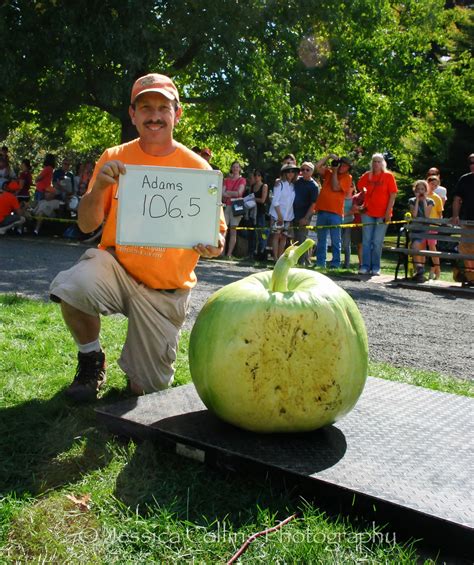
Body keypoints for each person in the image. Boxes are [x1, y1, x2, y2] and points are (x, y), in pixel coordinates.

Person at [49, 72, 226, 402]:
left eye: (163, 106)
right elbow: (87, 226)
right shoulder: (114, 156)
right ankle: (91, 359)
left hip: (165, 292)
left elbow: (217, 238)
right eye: (145, 107)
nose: (155, 115)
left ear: (177, 112)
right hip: (117, 269)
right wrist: (100, 186)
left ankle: (143, 367)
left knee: (146, 393)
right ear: (133, 114)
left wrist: (214, 246)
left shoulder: (199, 169)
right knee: (72, 286)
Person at [357, 153, 398, 276]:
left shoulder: (388, 176)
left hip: (382, 213)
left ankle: (376, 267)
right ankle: (365, 266)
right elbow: (359, 188)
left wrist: (388, 212)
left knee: (377, 241)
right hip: (368, 212)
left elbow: (393, 195)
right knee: (366, 240)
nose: (376, 164)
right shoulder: (367, 176)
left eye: (379, 161)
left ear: (383, 163)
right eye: (374, 161)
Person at [314, 154, 353, 269]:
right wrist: (329, 157)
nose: (342, 167)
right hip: (322, 210)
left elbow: (335, 187)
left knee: (336, 240)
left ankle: (335, 264)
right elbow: (316, 167)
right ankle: (321, 263)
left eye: (345, 166)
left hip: (335, 213)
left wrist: (335, 171)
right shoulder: (329, 172)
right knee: (321, 239)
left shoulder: (347, 177)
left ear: (348, 168)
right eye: (341, 164)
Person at [450, 154, 474, 283]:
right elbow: (457, 199)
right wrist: (455, 215)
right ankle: (471, 276)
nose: (472, 165)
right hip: (467, 219)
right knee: (465, 248)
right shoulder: (464, 179)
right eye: (470, 163)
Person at [269, 163, 299, 260]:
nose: (290, 173)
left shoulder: (293, 186)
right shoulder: (280, 184)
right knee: (276, 236)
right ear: (284, 173)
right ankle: (275, 258)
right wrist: (279, 215)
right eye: (288, 171)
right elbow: (275, 201)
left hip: (288, 216)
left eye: (293, 171)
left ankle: (280, 259)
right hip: (277, 215)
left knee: (284, 238)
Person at [293, 161, 319, 265]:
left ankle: (301, 263)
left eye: (307, 170)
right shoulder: (297, 181)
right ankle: (295, 262)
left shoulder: (314, 186)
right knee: (294, 240)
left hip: (304, 215)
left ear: (312, 172)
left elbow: (313, 205)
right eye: (302, 169)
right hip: (292, 214)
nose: (304, 171)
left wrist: (306, 218)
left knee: (301, 240)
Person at [409, 180, 434, 282]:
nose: (420, 191)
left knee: (415, 246)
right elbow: (414, 215)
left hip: (424, 229)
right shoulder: (411, 201)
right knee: (414, 245)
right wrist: (417, 201)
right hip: (415, 228)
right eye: (418, 189)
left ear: (426, 190)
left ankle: (419, 268)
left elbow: (426, 216)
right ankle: (419, 269)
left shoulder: (430, 201)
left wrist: (423, 201)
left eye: (422, 189)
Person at [222, 160, 246, 258]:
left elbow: (239, 193)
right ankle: (221, 252)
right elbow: (222, 193)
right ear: (231, 168)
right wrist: (232, 193)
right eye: (234, 167)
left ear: (240, 169)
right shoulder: (226, 180)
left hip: (237, 207)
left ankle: (229, 254)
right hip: (227, 206)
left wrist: (227, 192)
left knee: (233, 230)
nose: (235, 169)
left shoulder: (242, 180)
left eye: (237, 167)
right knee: (223, 229)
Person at [426, 175, 444, 279]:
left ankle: (437, 270)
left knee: (432, 247)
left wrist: (438, 225)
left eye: (436, 185)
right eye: (432, 184)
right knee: (421, 247)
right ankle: (419, 271)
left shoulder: (437, 198)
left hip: (433, 226)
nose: (433, 187)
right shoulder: (422, 195)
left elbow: (440, 213)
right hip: (422, 226)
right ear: (427, 182)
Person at [248, 169, 269, 260]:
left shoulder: (264, 186)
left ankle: (261, 252)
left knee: (261, 234)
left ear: (262, 177)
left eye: (259, 175)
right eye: (255, 175)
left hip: (261, 213)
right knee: (252, 234)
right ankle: (251, 253)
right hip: (252, 212)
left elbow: (263, 200)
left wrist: (252, 199)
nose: (257, 177)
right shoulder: (252, 186)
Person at [341, 183, 356, 269]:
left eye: (351, 186)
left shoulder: (354, 199)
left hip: (349, 223)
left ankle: (346, 264)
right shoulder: (341, 197)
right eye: (347, 186)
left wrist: (344, 214)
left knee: (346, 244)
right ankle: (337, 262)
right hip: (339, 222)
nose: (349, 188)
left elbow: (353, 211)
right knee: (338, 243)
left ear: (353, 188)